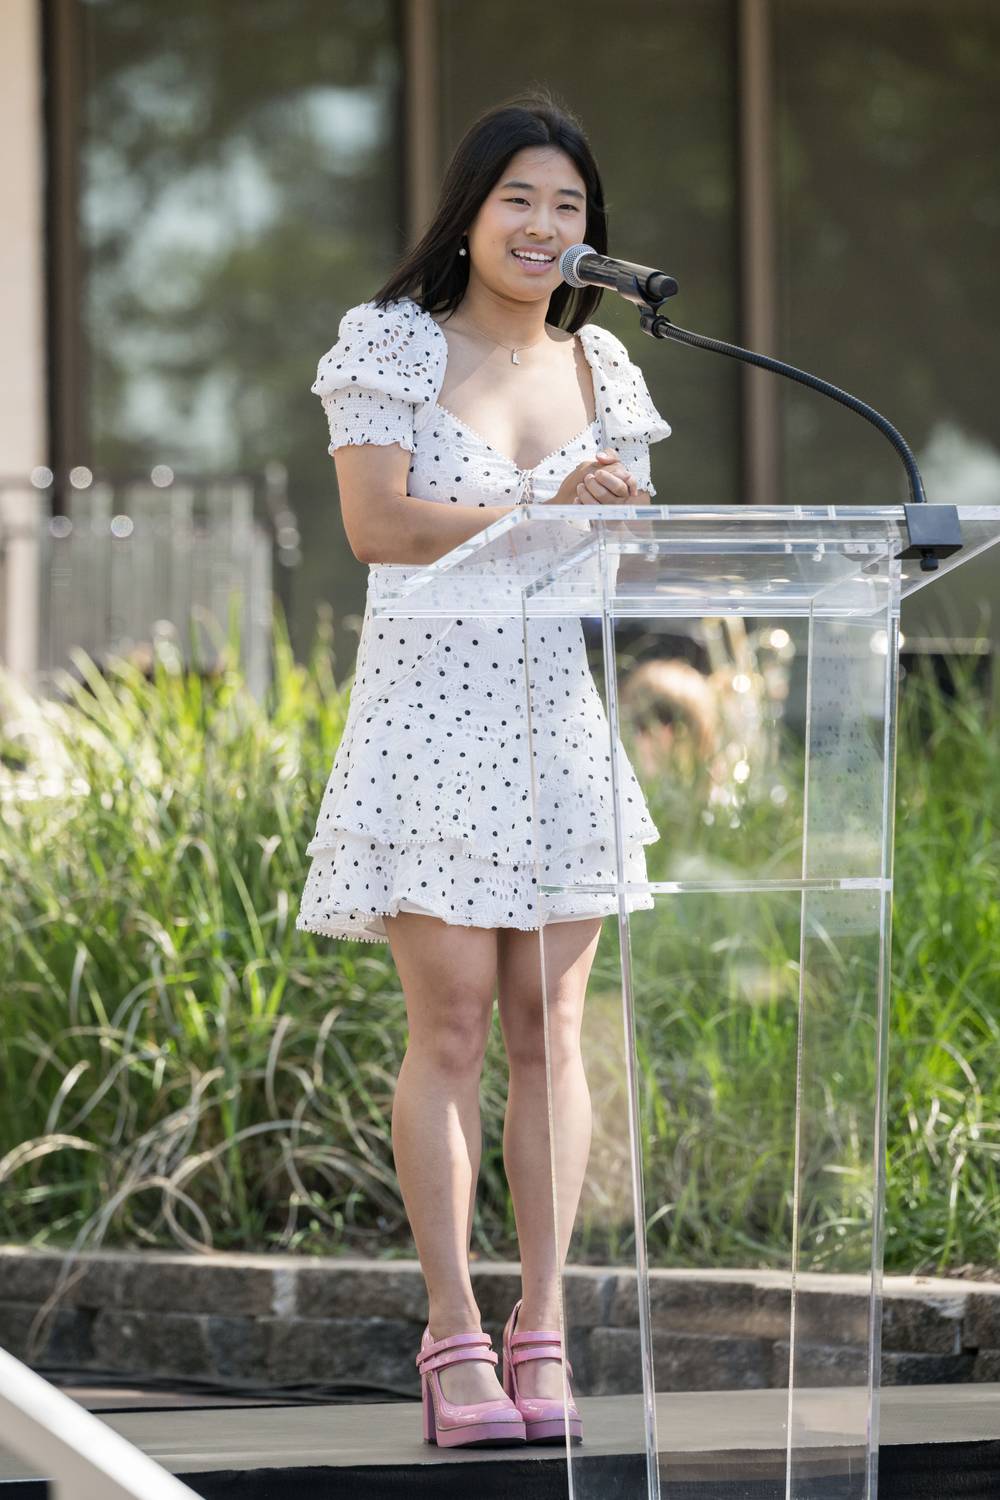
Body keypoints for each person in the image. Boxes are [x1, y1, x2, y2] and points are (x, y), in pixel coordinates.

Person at [297, 94, 670, 1448]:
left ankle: (544, 1328)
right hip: (431, 711)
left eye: (570, 208)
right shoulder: (389, 342)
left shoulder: (606, 373)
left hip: (554, 719)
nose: (545, 226)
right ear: (469, 210)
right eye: (522, 197)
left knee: (554, 1034)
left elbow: (618, 562)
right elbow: (379, 526)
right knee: (450, 1031)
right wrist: (542, 507)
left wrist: (614, 529)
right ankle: (453, 1336)